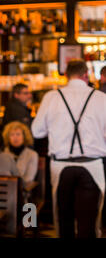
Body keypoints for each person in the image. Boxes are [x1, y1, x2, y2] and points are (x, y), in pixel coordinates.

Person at [32, 59, 106, 238]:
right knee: (88, 222)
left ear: (65, 76)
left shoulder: (51, 97)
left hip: (60, 166)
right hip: (92, 165)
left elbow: (37, 131)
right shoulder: (102, 98)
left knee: (63, 219)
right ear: (86, 76)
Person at [3, 121, 39, 186]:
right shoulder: (3, 154)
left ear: (24, 137)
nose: (15, 137)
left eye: (18, 134)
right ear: (8, 137)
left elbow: (29, 179)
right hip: (4, 188)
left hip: (23, 190)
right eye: (12, 134)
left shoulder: (32, 155)